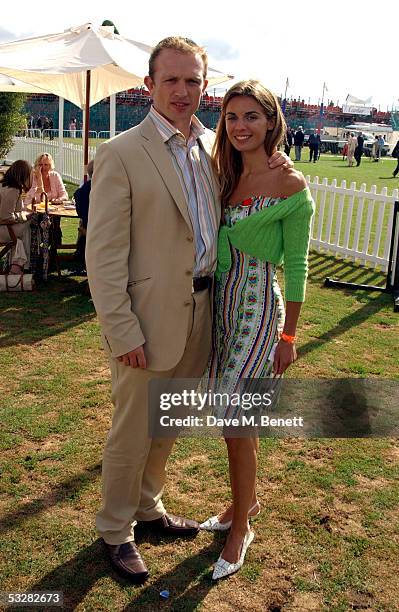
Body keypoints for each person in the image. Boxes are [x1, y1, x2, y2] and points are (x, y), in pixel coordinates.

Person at [86, 36, 291, 584]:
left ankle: (147, 508)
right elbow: (102, 255)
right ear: (149, 85)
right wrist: (121, 327)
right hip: (147, 317)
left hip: (206, 309)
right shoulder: (122, 153)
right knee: (132, 429)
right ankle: (115, 529)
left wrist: (275, 161)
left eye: (192, 80)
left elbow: (254, 187)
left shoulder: (211, 147)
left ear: (205, 86)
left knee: (168, 420)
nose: (182, 91)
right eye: (170, 80)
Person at [199, 80, 314, 580]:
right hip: (221, 308)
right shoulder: (223, 173)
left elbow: (297, 265)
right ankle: (244, 503)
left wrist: (289, 337)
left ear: (271, 121)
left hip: (258, 311)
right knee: (232, 420)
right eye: (231, 117)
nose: (240, 126)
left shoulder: (291, 185)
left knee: (235, 420)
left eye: (251, 116)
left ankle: (240, 524)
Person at [0, 160, 33, 273]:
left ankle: (17, 265)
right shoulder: (12, 190)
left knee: (25, 231)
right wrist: (24, 216)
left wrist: (23, 213)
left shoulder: (4, 185)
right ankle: (19, 266)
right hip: (3, 228)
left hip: (5, 226)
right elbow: (6, 216)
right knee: (28, 226)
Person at [73, 159, 94, 272]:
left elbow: (80, 213)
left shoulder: (81, 192)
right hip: (102, 231)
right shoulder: (110, 189)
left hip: (88, 228)